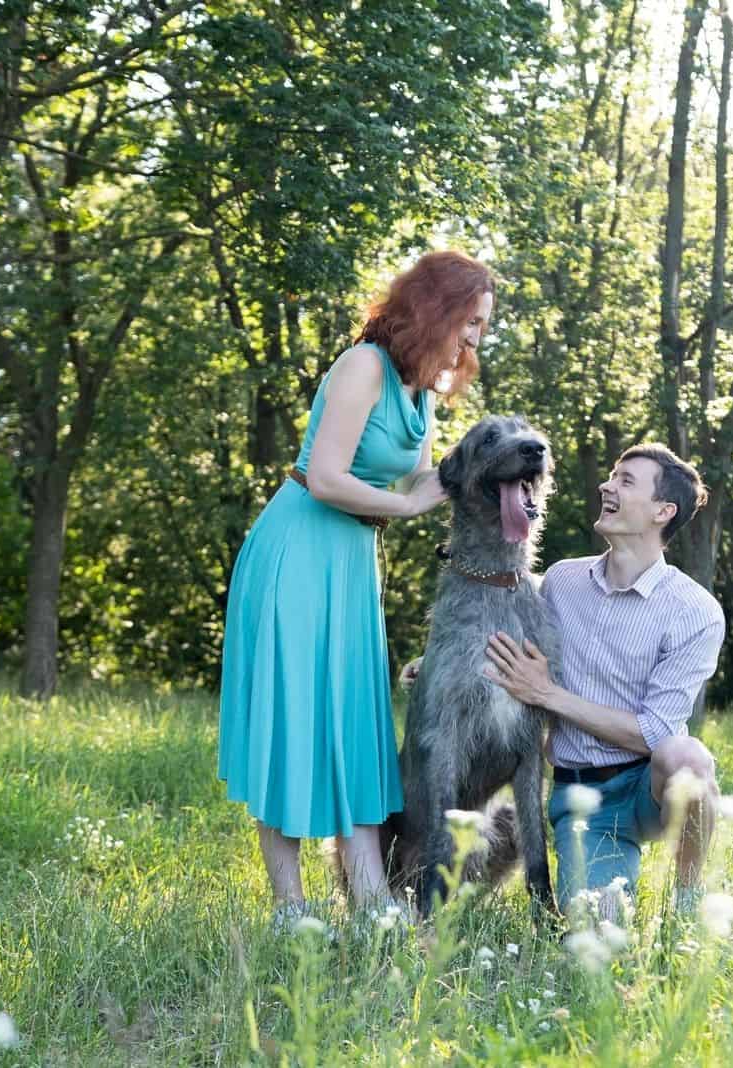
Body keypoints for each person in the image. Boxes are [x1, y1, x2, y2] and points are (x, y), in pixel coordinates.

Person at [218, 251, 495, 926]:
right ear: (436, 308)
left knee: (354, 720)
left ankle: (371, 906)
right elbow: (326, 477)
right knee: (295, 719)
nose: (478, 337)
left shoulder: (422, 390)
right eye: (472, 320)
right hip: (297, 551)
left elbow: (418, 482)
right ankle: (292, 910)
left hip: (348, 560)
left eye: (485, 325)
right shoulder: (362, 366)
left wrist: (482, 476)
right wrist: (403, 509)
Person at [481, 444, 725, 919]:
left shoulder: (696, 611)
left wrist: (549, 695)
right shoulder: (561, 581)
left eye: (626, 481)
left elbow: (655, 732)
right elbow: (513, 644)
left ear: (663, 511)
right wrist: (436, 662)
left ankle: (688, 900)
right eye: (611, 475)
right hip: (582, 799)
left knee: (687, 756)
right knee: (595, 940)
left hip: (647, 785)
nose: (606, 486)